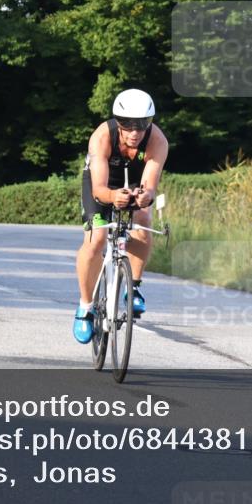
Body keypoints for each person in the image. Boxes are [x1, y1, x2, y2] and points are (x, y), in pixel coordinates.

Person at [73, 89, 168, 344]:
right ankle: (85, 307)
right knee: (96, 239)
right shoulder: (102, 137)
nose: (135, 132)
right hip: (102, 182)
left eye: (142, 125)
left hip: (135, 178)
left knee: (144, 220)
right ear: (118, 121)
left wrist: (144, 196)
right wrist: (113, 197)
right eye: (128, 125)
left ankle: (133, 286)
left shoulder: (158, 141)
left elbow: (149, 184)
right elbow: (99, 189)